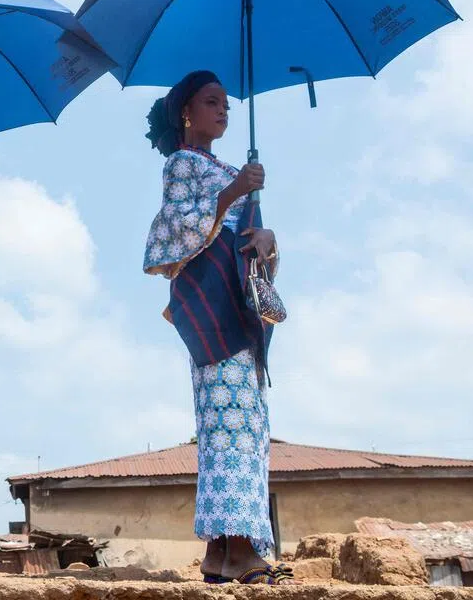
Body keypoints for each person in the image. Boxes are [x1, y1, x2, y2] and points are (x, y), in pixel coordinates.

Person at [142, 71, 295, 585]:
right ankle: (238, 549)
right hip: (211, 303)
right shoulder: (181, 165)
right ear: (187, 111)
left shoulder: (226, 167)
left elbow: (250, 242)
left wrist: (267, 234)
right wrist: (235, 190)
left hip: (239, 303)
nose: (223, 111)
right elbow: (175, 229)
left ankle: (222, 554)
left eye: (227, 104)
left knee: (245, 429)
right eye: (212, 102)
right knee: (227, 426)